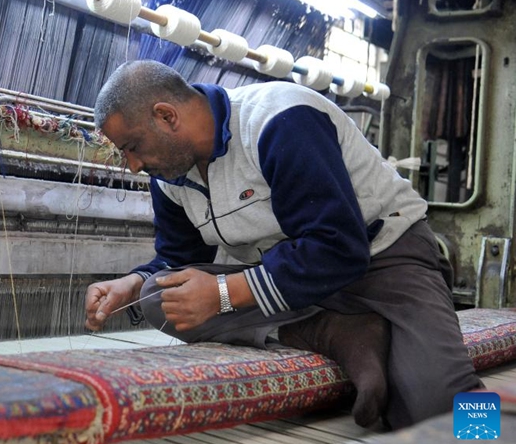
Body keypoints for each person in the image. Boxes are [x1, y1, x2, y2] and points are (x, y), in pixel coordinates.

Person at [84, 60, 482, 430]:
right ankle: (334, 331)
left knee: (441, 403)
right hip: (288, 282)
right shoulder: (168, 173)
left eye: (132, 147)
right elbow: (180, 258)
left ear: (166, 116)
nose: (133, 165)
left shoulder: (279, 119)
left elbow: (337, 247)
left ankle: (487, 431)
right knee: (160, 295)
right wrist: (133, 285)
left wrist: (223, 294)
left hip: (383, 262)